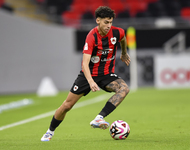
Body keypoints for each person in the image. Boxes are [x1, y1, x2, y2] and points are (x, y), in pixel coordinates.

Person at [41, 6, 131, 141]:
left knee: (124, 89)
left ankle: (99, 118)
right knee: (67, 105)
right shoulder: (92, 37)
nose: (109, 26)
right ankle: (50, 131)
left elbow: (123, 39)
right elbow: (84, 63)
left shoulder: (118, 33)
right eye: (106, 22)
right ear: (98, 21)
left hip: (106, 75)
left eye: (110, 22)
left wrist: (124, 53)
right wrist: (90, 81)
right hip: (88, 75)